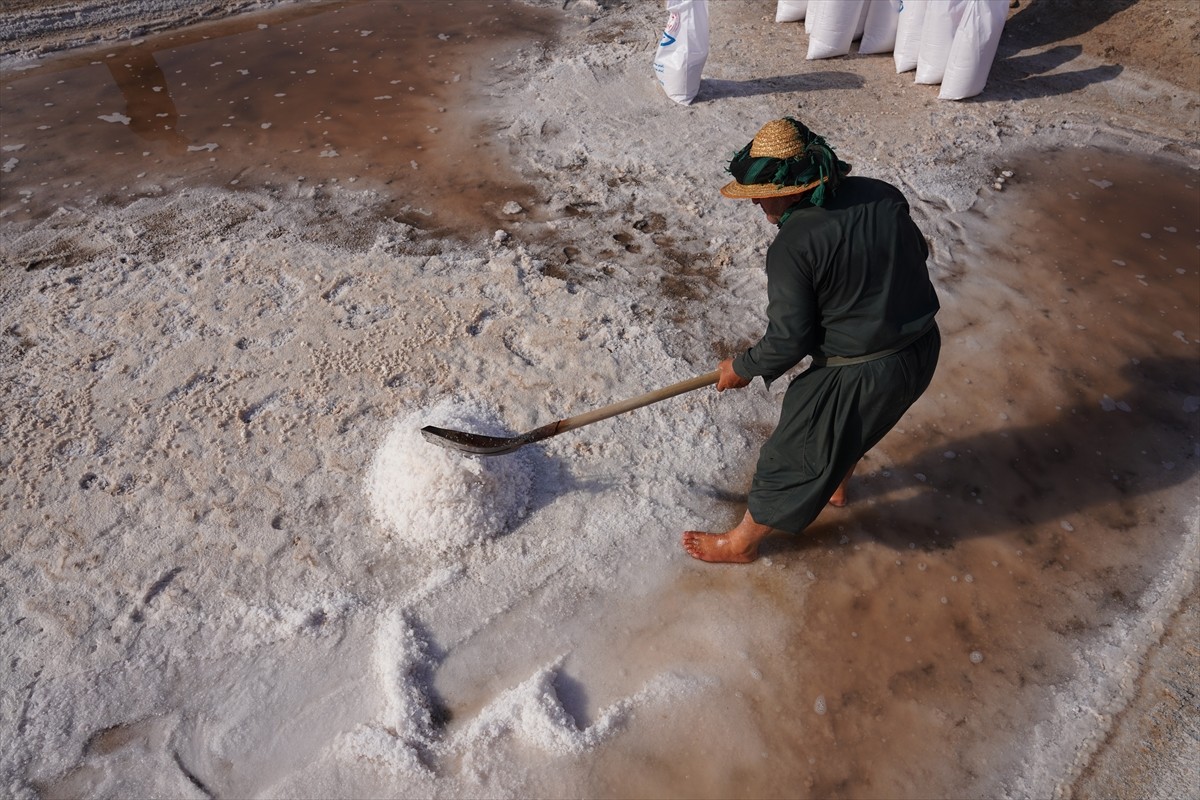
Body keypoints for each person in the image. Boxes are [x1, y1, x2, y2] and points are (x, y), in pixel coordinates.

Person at [683, 117, 941, 564]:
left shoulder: (793, 245)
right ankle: (836, 484)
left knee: (792, 453)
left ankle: (742, 543)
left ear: (796, 188)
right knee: (856, 428)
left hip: (862, 371)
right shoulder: (882, 192)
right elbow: (916, 253)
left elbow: (789, 339)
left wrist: (741, 367)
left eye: (765, 194)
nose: (758, 204)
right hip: (919, 349)